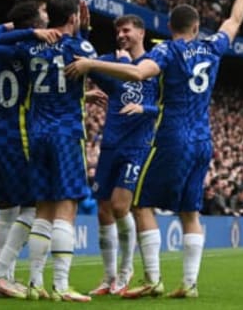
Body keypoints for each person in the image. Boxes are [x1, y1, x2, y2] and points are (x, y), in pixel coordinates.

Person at [65, 0, 243, 298]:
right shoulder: (213, 47)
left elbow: (139, 74)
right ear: (197, 26)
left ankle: (152, 278)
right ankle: (190, 284)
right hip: (203, 140)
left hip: (172, 136)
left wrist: (91, 63)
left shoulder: (168, 50)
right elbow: (235, 19)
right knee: (190, 211)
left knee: (138, 203)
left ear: (170, 27)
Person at [0, 0, 97, 302]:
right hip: (66, 134)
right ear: (74, 17)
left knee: (42, 209)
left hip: (36, 133)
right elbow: (93, 64)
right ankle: (61, 285)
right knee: (66, 208)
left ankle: (35, 281)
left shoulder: (30, 47)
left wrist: (22, 30)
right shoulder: (82, 48)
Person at [0, 0, 57, 298]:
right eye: (44, 13)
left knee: (6, 209)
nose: (48, 18)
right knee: (35, 206)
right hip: (16, 134)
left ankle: (2, 272)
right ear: (34, 21)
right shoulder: (28, 50)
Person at [87, 15, 158, 296]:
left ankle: (126, 272)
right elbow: (88, 66)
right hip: (110, 146)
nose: (121, 35)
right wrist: (83, 31)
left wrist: (145, 110)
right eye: (118, 31)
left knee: (119, 206)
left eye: (126, 30)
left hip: (137, 146)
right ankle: (108, 277)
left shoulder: (155, 65)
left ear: (140, 33)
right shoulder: (112, 61)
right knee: (103, 210)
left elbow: (166, 107)